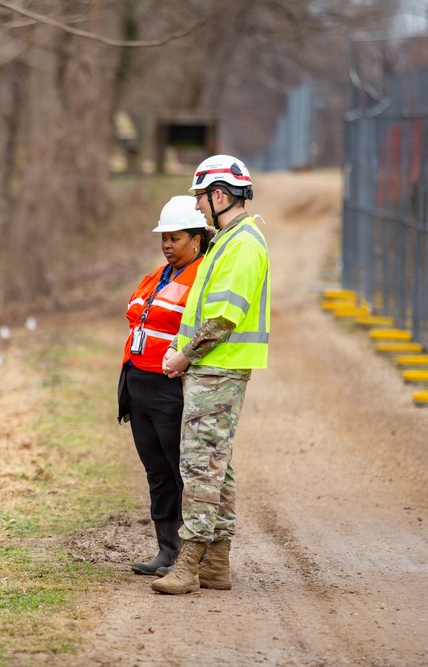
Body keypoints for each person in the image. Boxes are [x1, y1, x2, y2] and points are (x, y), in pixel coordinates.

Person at [152, 154, 270, 595]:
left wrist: (184, 355)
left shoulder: (242, 244)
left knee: (200, 466)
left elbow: (222, 319)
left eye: (201, 198)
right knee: (217, 464)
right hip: (213, 369)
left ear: (220, 195)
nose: (198, 208)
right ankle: (217, 562)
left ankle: (190, 561)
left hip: (217, 369)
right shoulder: (229, 240)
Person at [118, 195, 214, 577]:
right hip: (137, 384)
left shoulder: (204, 277)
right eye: (164, 238)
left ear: (197, 240)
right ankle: (166, 550)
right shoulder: (155, 276)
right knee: (156, 471)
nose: (167, 245)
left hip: (170, 388)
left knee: (181, 471)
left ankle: (195, 556)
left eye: (175, 238)